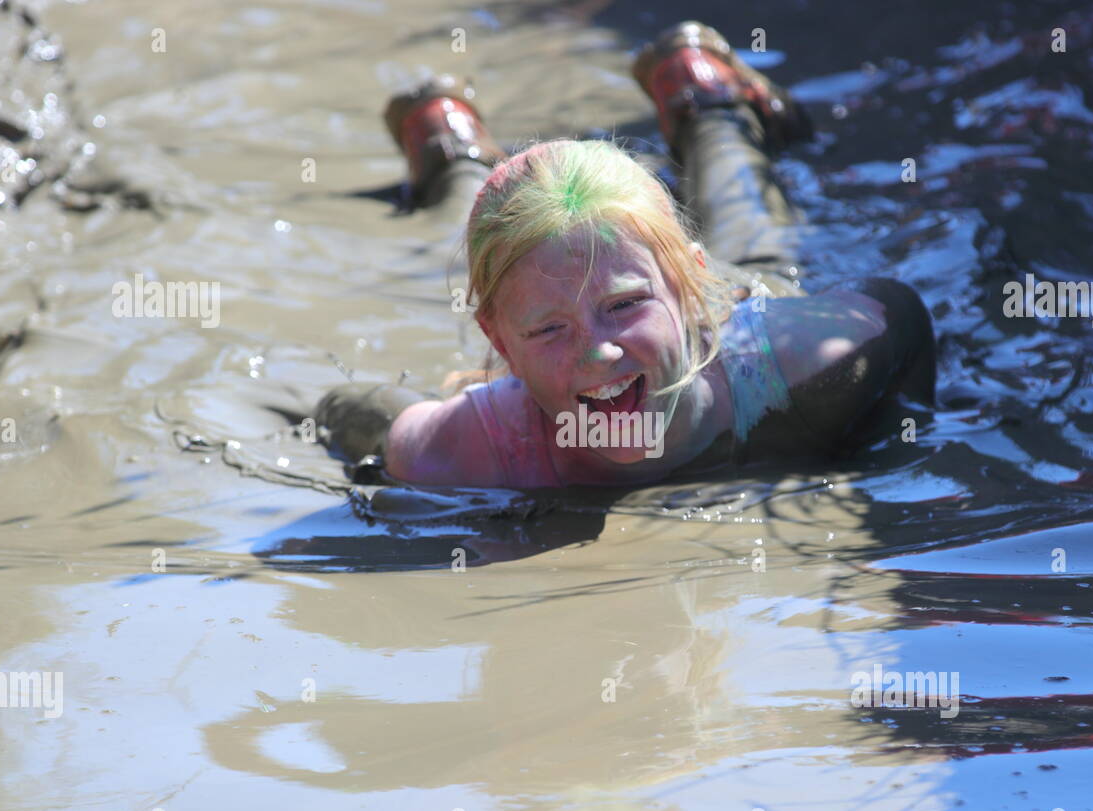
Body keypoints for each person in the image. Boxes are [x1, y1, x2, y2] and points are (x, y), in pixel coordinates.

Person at [315, 20, 935, 488]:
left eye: (624, 307)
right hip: (606, 288)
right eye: (550, 328)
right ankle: (453, 156)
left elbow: (900, 316)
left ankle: (709, 103)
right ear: (498, 341)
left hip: (736, 309)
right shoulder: (468, 446)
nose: (597, 350)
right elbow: (352, 411)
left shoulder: (804, 369)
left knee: (755, 238)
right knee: (510, 245)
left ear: (688, 283)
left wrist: (881, 451)